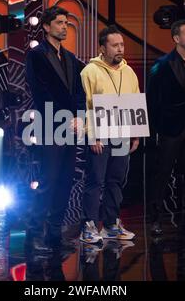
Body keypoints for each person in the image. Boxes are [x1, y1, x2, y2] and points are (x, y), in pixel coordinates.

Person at [25, 6, 86, 253]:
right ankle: (34, 233)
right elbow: (40, 92)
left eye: (66, 22)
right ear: (47, 26)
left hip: (70, 126)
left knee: (65, 180)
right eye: (59, 22)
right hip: (50, 124)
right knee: (48, 180)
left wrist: (79, 117)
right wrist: (65, 117)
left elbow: (79, 91)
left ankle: (54, 233)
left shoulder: (70, 58)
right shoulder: (37, 55)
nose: (64, 27)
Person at [79, 25, 140, 245]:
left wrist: (135, 133)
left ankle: (111, 224)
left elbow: (134, 103)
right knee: (96, 180)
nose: (120, 49)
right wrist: (92, 136)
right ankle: (89, 226)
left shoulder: (129, 72)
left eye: (122, 45)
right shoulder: (90, 71)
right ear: (102, 48)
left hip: (121, 133)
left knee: (116, 180)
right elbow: (84, 106)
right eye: (115, 45)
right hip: (100, 135)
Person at [146, 19, 185, 235]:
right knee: (162, 175)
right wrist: (152, 131)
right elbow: (151, 100)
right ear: (176, 38)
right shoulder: (162, 64)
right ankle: (155, 220)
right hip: (170, 127)